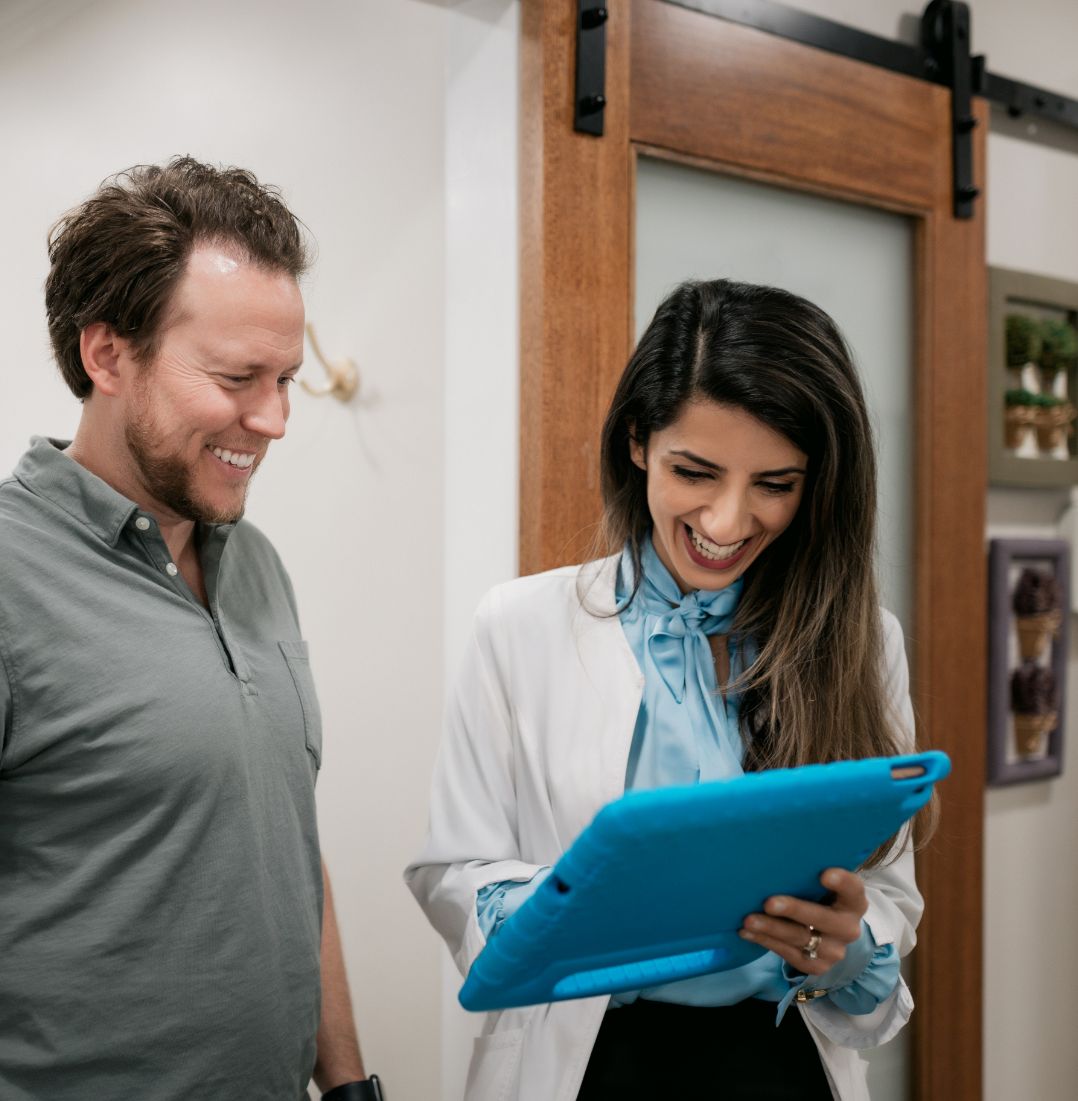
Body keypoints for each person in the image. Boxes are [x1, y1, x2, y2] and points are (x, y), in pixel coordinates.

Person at [406, 279, 928, 1101]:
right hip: (590, 1063)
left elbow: (888, 896)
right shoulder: (518, 625)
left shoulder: (864, 642)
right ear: (640, 441)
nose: (726, 522)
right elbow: (450, 870)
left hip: (783, 1065)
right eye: (696, 471)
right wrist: (575, 903)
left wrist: (852, 951)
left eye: (774, 484)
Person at [0, 158, 383, 1101]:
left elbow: (288, 844)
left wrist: (346, 1085)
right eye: (236, 377)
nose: (275, 418)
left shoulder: (255, 561)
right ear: (107, 356)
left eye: (287, 378)